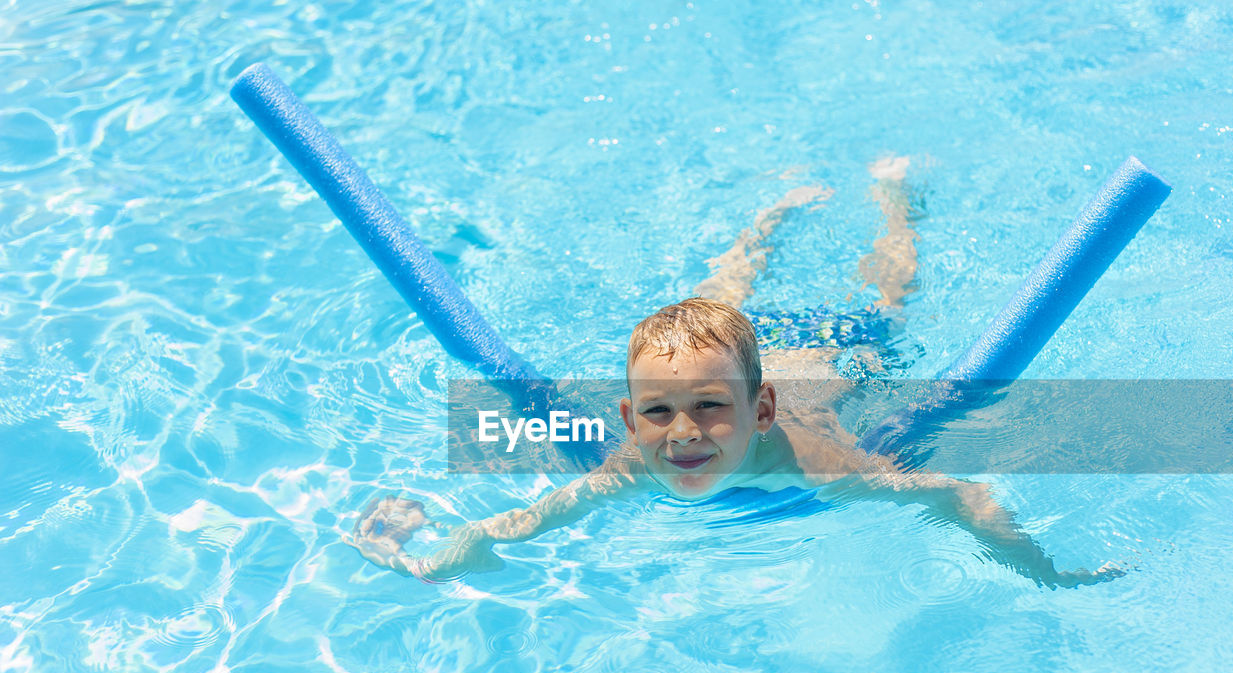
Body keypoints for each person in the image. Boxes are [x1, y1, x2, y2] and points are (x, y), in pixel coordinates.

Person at [346, 158, 1116, 588]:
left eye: (711, 409)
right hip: (751, 350)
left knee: (891, 296)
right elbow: (524, 522)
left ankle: (894, 205)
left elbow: (955, 492)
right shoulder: (629, 467)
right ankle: (776, 211)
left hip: (835, 352)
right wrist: (432, 557)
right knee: (722, 297)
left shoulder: (822, 463)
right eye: (657, 414)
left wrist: (1040, 572)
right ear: (627, 422)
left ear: (762, 413)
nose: (682, 435)